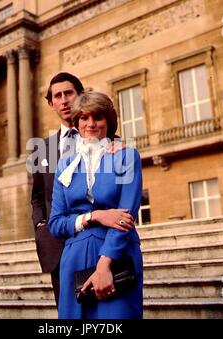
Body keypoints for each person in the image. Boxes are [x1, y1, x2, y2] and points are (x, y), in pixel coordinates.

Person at [30, 73, 133, 307]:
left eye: (69, 93)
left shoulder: (110, 142)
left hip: (101, 243)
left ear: (80, 95)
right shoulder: (41, 149)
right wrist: (40, 227)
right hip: (58, 248)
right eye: (58, 95)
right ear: (51, 103)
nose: (64, 100)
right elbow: (37, 197)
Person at [48, 91, 143, 319]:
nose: (90, 124)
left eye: (98, 117)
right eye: (84, 118)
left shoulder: (126, 155)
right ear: (77, 122)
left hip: (116, 255)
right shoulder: (65, 164)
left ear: (108, 122)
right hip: (74, 261)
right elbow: (56, 223)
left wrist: (104, 266)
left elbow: (125, 217)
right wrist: (95, 216)